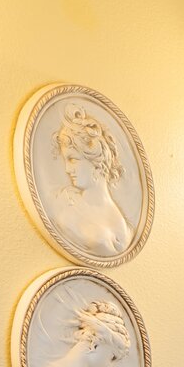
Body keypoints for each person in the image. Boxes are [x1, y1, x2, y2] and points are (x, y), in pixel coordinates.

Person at [52, 104, 133, 257]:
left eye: (73, 159)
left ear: (95, 159)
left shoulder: (124, 223)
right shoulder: (67, 207)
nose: (68, 170)